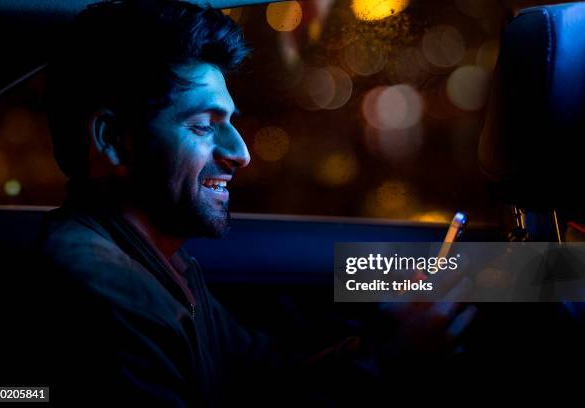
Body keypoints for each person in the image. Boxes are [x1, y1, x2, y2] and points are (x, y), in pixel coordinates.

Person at [40, 0, 475, 405]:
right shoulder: (100, 287)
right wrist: (386, 364)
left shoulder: (161, 263)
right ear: (113, 140)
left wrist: (380, 344)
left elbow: (264, 378)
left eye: (230, 122)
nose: (241, 153)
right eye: (202, 126)